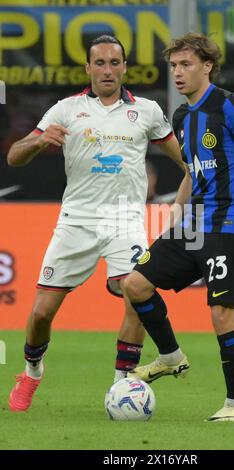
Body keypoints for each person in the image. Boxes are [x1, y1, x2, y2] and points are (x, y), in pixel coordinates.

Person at [6, 34, 184, 411]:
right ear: (88, 68)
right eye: (99, 63)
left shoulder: (148, 111)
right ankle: (31, 371)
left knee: (136, 292)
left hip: (125, 219)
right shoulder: (66, 109)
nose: (107, 69)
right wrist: (38, 143)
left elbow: (184, 158)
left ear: (124, 67)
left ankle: (123, 382)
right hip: (77, 221)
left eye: (114, 62)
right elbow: (14, 157)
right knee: (41, 313)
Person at [124, 32, 234, 422]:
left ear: (207, 67)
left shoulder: (230, 105)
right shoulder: (181, 116)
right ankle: (171, 356)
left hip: (229, 226)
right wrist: (175, 209)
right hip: (194, 225)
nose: (178, 72)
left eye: (186, 64)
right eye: (173, 65)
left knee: (221, 313)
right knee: (135, 284)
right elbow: (193, 171)